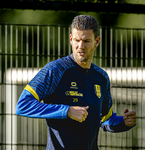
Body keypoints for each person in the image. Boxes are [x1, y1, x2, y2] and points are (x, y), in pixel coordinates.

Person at [16, 15, 137, 150]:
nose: (81, 46)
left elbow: (105, 119)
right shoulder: (56, 70)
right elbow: (23, 105)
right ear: (70, 39)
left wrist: (123, 122)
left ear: (97, 41)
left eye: (86, 41)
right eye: (77, 40)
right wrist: (66, 111)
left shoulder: (101, 78)